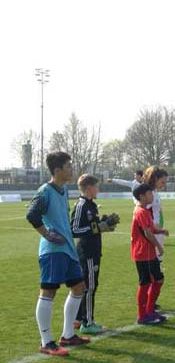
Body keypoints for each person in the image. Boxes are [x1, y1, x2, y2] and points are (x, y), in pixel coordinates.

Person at [26, 152, 90, 356]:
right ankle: (46, 341)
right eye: (68, 166)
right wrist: (46, 234)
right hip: (53, 251)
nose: (72, 169)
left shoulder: (63, 191)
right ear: (57, 170)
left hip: (67, 249)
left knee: (79, 287)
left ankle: (68, 335)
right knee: (48, 291)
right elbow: (32, 214)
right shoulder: (45, 190)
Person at [71, 174, 120, 334]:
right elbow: (74, 229)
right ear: (89, 187)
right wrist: (98, 227)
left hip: (94, 250)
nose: (98, 189)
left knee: (87, 286)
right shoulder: (81, 205)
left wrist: (104, 224)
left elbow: (93, 227)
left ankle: (78, 319)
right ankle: (88, 323)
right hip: (88, 253)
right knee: (90, 287)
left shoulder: (92, 205)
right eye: (97, 186)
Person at [131, 184, 167, 325]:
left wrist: (161, 231)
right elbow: (147, 233)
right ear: (141, 196)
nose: (152, 196)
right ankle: (142, 315)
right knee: (146, 282)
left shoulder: (145, 211)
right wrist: (159, 246)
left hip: (148, 253)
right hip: (143, 253)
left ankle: (149, 310)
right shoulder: (140, 211)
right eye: (149, 193)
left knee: (158, 279)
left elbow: (151, 229)